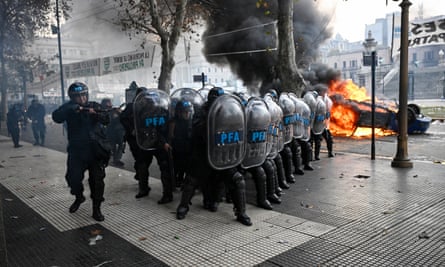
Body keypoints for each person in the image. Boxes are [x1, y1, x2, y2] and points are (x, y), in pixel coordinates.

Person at [52, 82, 110, 221]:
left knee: (97, 182)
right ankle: (79, 197)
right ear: (72, 97)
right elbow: (56, 117)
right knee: (73, 178)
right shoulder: (68, 107)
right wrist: (72, 108)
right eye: (77, 96)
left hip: (95, 151)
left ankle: (96, 209)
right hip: (77, 151)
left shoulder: (94, 105)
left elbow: (106, 119)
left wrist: (95, 114)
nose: (82, 99)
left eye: (83, 95)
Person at [120, 87, 174, 204]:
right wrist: (131, 129)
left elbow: (166, 127)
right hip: (145, 142)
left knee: (165, 168)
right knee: (142, 166)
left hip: (159, 143)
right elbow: (124, 118)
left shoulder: (161, 110)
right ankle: (143, 188)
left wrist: (166, 141)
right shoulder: (136, 109)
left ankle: (167, 194)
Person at [101, 98, 126, 166]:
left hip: (118, 131)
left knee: (120, 145)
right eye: (108, 102)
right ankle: (115, 159)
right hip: (112, 131)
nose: (110, 103)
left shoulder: (114, 110)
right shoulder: (104, 111)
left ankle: (116, 159)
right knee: (113, 146)